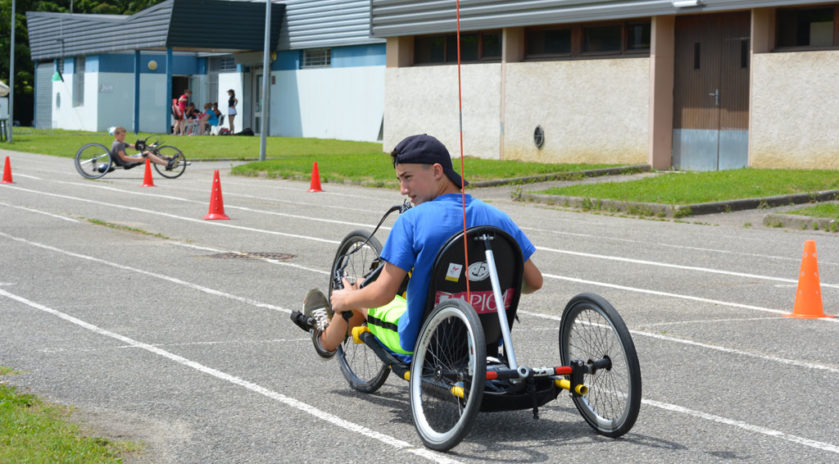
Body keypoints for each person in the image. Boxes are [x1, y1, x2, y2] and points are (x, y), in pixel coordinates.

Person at [295, 134, 543, 359]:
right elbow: (534, 282)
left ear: (437, 171)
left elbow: (383, 294)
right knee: (365, 291)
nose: (403, 189)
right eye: (400, 180)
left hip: (422, 339)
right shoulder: (499, 217)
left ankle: (325, 339)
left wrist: (348, 298)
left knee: (360, 293)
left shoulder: (412, 221)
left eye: (408, 178)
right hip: (484, 336)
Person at [108, 126, 176, 171]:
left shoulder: (121, 142)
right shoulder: (117, 145)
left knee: (150, 152)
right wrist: (138, 159)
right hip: (127, 163)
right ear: (116, 135)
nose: (124, 137)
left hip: (130, 158)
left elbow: (134, 146)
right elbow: (124, 158)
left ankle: (170, 158)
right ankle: (168, 164)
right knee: (147, 154)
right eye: (122, 135)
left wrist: (148, 146)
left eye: (124, 135)